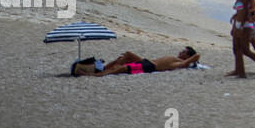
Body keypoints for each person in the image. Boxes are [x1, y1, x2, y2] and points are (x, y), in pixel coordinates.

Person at [72, 47, 201, 76]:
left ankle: (92, 75)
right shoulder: (176, 59)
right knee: (127, 55)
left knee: (120, 69)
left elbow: (192, 59)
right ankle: (103, 68)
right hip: (146, 61)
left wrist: (194, 57)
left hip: (149, 66)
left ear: (187, 56)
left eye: (183, 52)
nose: (180, 52)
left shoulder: (179, 63)